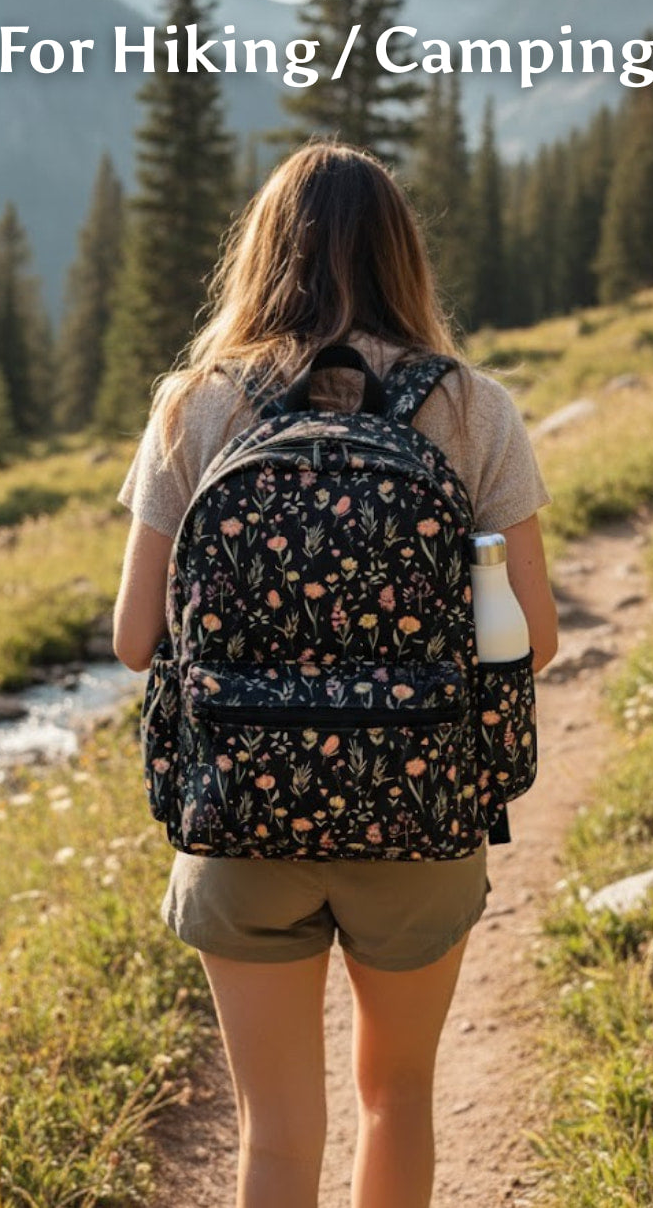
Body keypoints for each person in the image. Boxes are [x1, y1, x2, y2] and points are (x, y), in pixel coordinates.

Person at [113, 141, 557, 1208]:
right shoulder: (472, 408)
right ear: (405, 257)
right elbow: (532, 636)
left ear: (262, 256)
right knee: (397, 1096)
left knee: (274, 1127)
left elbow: (136, 640)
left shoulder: (196, 405)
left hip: (240, 811)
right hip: (420, 809)